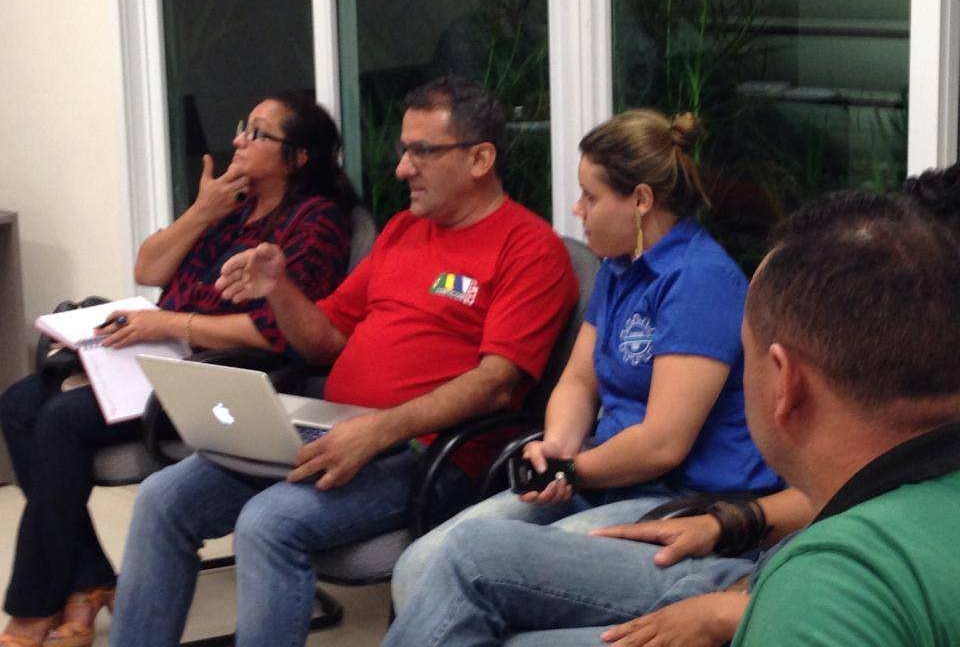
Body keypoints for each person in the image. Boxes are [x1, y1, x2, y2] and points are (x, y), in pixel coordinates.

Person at [107, 75, 579, 647]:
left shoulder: (529, 249)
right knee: (163, 499)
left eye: (422, 152)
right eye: (404, 150)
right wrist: (279, 288)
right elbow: (327, 337)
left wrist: (378, 429)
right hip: (335, 426)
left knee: (268, 523)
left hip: (427, 453)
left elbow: (496, 385)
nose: (403, 168)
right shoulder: (404, 230)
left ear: (481, 157)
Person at [382, 189, 960, 646]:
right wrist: (732, 530)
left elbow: (663, 445)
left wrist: (744, 608)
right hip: (739, 569)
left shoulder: (832, 587)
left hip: (754, 573)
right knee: (471, 555)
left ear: (785, 382)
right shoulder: (916, 487)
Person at [0, 92, 354, 647]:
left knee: (61, 420)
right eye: (243, 126)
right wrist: (202, 210)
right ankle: (87, 580)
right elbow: (149, 266)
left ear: (299, 157)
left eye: (258, 134)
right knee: (20, 402)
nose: (239, 140)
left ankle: (34, 605)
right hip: (160, 354)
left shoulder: (317, 222)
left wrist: (171, 325)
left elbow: (277, 331)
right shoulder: (230, 205)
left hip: (221, 376)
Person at [392, 108, 782, 612]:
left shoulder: (699, 281)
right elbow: (578, 380)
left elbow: (663, 445)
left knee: (489, 582)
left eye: (591, 196)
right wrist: (557, 447)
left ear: (641, 200)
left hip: (683, 498)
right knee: (419, 566)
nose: (578, 209)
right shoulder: (620, 267)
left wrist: (573, 471)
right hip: (607, 475)